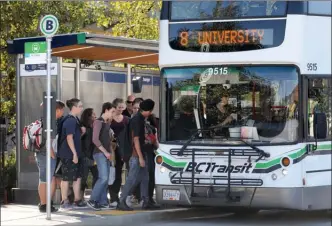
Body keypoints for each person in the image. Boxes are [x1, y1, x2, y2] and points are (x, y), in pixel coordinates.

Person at [117, 99, 159, 211]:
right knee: (132, 178)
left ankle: (146, 201)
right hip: (135, 154)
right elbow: (135, 140)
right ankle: (121, 201)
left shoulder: (140, 119)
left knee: (145, 177)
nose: (150, 113)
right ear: (148, 110)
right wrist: (140, 157)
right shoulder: (137, 120)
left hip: (141, 153)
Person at [35, 100, 65, 213]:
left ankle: (43, 203)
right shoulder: (52, 122)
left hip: (41, 153)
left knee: (43, 179)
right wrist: (53, 156)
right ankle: (44, 205)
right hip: (46, 154)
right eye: (62, 110)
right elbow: (49, 143)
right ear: (57, 110)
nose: (62, 112)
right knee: (45, 179)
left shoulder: (45, 119)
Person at [58, 98, 86, 209]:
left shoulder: (75, 119)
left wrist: (82, 133)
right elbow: (69, 138)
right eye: (80, 106)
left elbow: (74, 137)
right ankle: (64, 200)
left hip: (75, 153)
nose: (81, 108)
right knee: (66, 177)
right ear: (74, 107)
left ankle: (77, 199)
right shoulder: (70, 120)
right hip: (68, 154)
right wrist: (74, 153)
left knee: (77, 177)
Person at [87, 103, 115, 210]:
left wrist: (109, 153)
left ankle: (103, 201)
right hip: (100, 153)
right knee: (103, 178)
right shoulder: (98, 122)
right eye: (112, 111)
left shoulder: (105, 123)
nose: (113, 114)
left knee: (105, 178)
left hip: (105, 154)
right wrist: (106, 152)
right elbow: (95, 139)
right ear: (106, 110)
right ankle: (92, 200)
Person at [108, 98, 129, 207]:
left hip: (123, 149)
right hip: (112, 149)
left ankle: (119, 195)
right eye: (119, 107)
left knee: (119, 172)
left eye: (122, 107)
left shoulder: (126, 119)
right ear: (114, 107)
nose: (121, 109)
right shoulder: (110, 119)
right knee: (113, 172)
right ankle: (113, 197)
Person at [80, 108, 98, 200]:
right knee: (83, 178)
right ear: (88, 117)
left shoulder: (94, 127)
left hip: (93, 157)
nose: (95, 116)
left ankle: (94, 197)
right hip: (85, 157)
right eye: (93, 115)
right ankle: (80, 198)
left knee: (98, 176)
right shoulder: (83, 129)